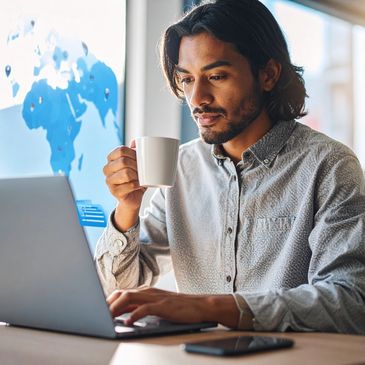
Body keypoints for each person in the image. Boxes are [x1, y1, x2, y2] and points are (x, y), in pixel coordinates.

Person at [96, 0, 365, 333]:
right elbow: (117, 288)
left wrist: (211, 307)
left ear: (268, 74)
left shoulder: (329, 166)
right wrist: (127, 207)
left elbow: (351, 301)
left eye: (216, 76)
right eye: (187, 80)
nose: (197, 99)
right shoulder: (182, 168)